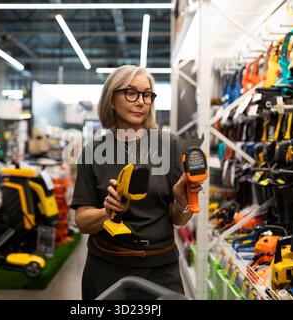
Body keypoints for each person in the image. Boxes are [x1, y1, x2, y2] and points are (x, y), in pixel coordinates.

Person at [70, 65, 203, 300]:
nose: (141, 101)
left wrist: (182, 201)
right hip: (107, 268)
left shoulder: (170, 146)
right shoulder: (93, 152)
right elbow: (82, 221)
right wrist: (107, 212)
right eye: (131, 93)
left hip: (161, 268)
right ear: (111, 99)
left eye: (147, 94)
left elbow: (179, 219)